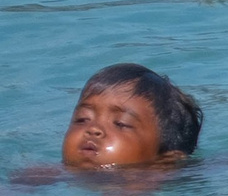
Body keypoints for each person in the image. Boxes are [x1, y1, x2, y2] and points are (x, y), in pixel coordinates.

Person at [60, 64, 203, 170]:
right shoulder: (51, 174)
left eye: (120, 123)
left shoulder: (147, 183)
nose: (93, 129)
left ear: (166, 160)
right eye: (82, 119)